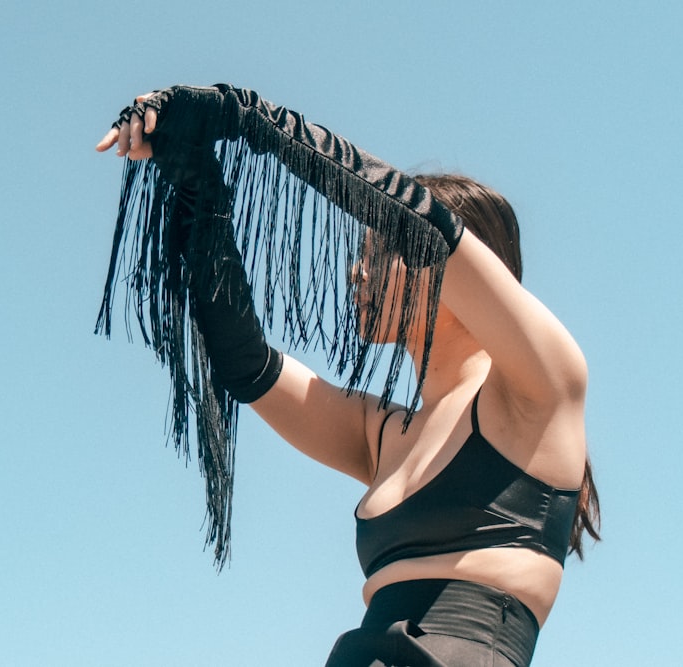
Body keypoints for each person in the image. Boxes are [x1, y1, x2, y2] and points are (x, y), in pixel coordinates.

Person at [96, 84, 600, 666]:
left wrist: (238, 113)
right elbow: (247, 364)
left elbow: (422, 224)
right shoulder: (381, 433)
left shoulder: (543, 388)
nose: (356, 271)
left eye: (379, 251)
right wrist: (195, 179)